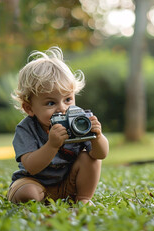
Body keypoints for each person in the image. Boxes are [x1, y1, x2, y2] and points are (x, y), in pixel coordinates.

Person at [7, 46, 109, 204]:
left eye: (68, 99)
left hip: (69, 185)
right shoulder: (26, 128)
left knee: (89, 158)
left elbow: (101, 155)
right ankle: (35, 201)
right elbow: (31, 167)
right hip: (34, 182)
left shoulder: (78, 119)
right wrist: (52, 145)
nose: (62, 108)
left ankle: (83, 198)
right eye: (50, 103)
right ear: (29, 108)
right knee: (26, 193)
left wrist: (97, 137)